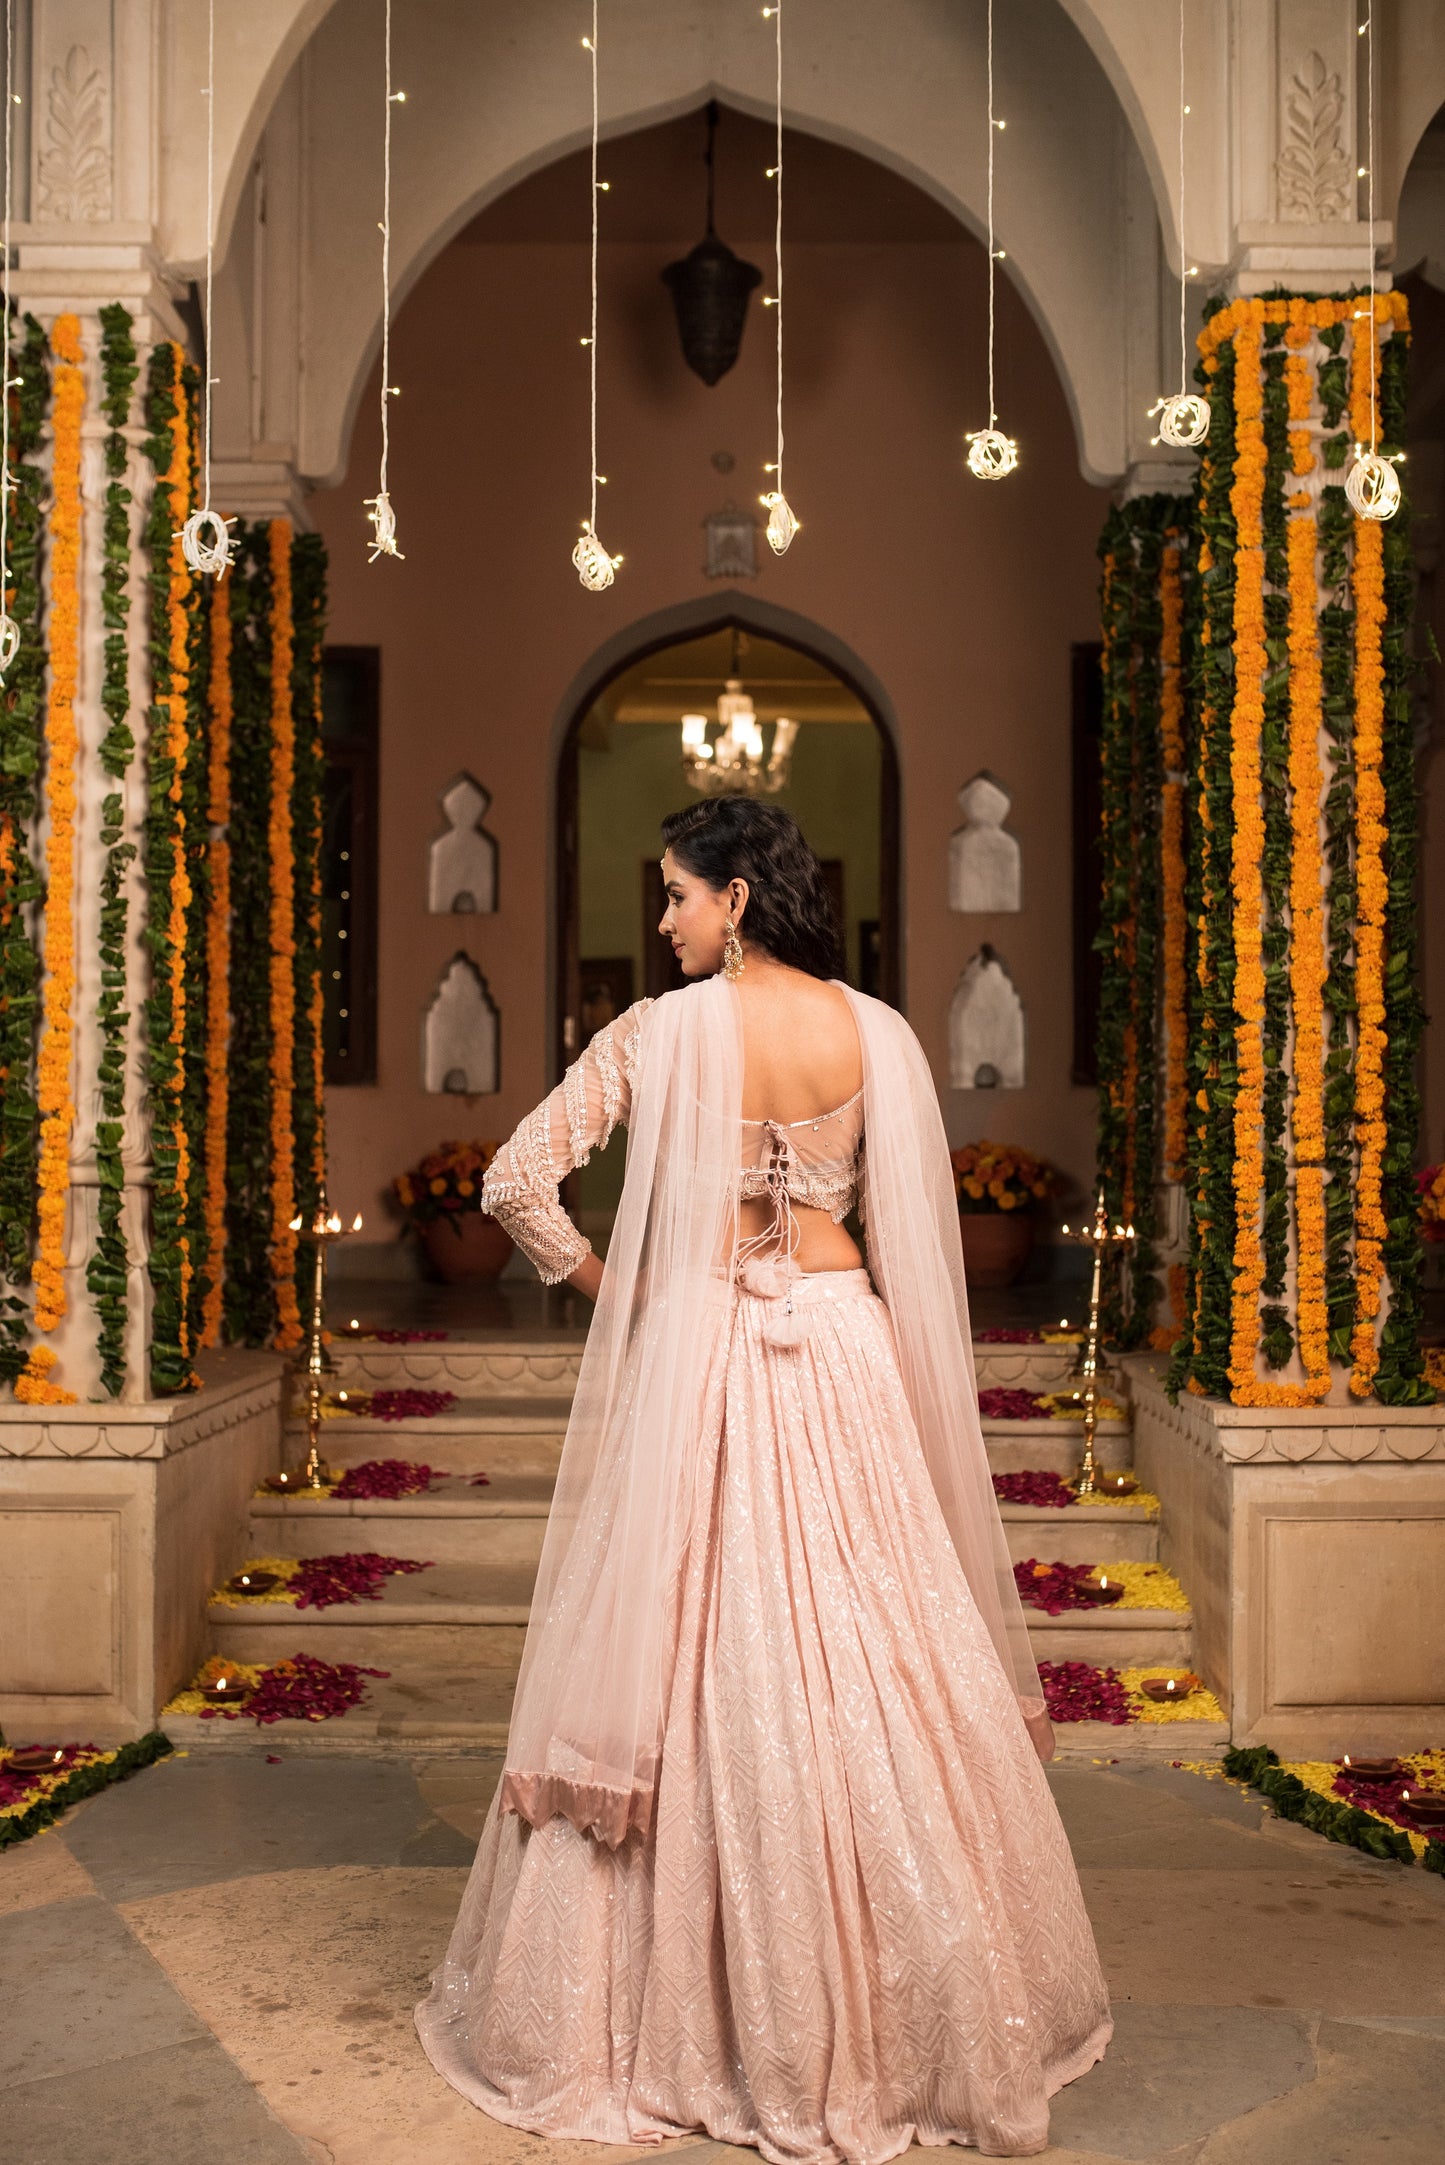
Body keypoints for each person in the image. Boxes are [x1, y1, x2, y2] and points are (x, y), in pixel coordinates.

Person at [415, 798, 1111, 2160]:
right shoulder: (880, 1033)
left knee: (704, 1641)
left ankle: (686, 2013)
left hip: (710, 1350)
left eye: (677, 892)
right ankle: (921, 2007)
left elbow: (515, 1181)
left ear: (736, 898)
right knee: (872, 1637)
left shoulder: (659, 1033)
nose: (663, 917)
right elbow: (912, 1248)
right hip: (846, 1344)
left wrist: (619, 1289)